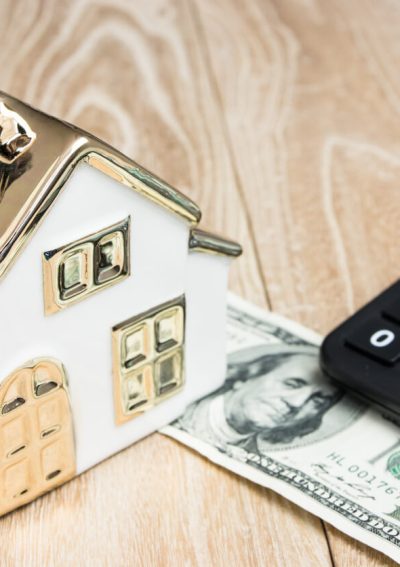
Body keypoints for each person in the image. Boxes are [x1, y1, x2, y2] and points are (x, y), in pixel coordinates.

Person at [176, 344, 343, 453]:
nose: (296, 403)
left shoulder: (248, 457)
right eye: (292, 384)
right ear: (249, 376)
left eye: (317, 401)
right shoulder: (177, 405)